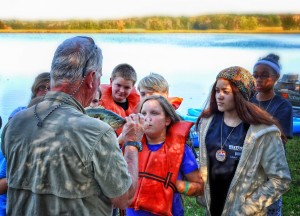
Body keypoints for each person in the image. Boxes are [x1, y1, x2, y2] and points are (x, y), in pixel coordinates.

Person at [1, 36, 144, 215]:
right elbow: (124, 198)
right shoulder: (97, 132)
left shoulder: (15, 123)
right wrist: (131, 143)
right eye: (99, 76)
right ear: (92, 78)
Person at [195, 66, 291, 216]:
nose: (219, 95)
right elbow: (204, 161)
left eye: (225, 92)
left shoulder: (263, 131)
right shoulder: (207, 123)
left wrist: (246, 209)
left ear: (241, 95)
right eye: (216, 90)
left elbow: (280, 179)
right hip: (212, 209)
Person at [127, 95, 204, 216]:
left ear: (167, 120)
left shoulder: (182, 151)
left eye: (154, 113)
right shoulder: (131, 147)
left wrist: (178, 185)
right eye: (143, 113)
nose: (147, 118)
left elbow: (200, 187)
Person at [251, 53, 293, 216]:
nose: (259, 80)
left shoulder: (283, 106)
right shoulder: (249, 101)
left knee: (270, 210)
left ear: (276, 77)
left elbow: (279, 137)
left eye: (264, 75)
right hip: (249, 168)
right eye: (256, 76)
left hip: (270, 170)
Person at [99, 63, 140, 135]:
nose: (121, 90)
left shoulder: (140, 107)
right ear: (111, 82)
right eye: (118, 85)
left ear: (132, 87)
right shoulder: (97, 103)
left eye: (126, 87)